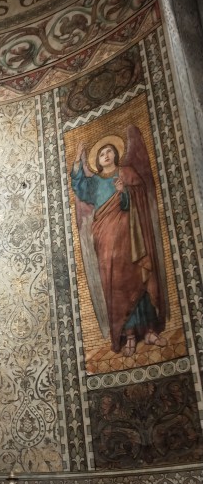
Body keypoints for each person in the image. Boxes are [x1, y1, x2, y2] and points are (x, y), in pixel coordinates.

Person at [71, 126, 168, 357]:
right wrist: (76, 160)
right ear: (97, 160)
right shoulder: (94, 183)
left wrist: (125, 192)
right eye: (102, 153)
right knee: (116, 285)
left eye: (109, 151)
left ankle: (149, 331)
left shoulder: (127, 173)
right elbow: (79, 186)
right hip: (106, 240)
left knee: (138, 277)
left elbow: (140, 196)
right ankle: (129, 335)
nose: (106, 155)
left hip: (132, 238)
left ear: (116, 154)